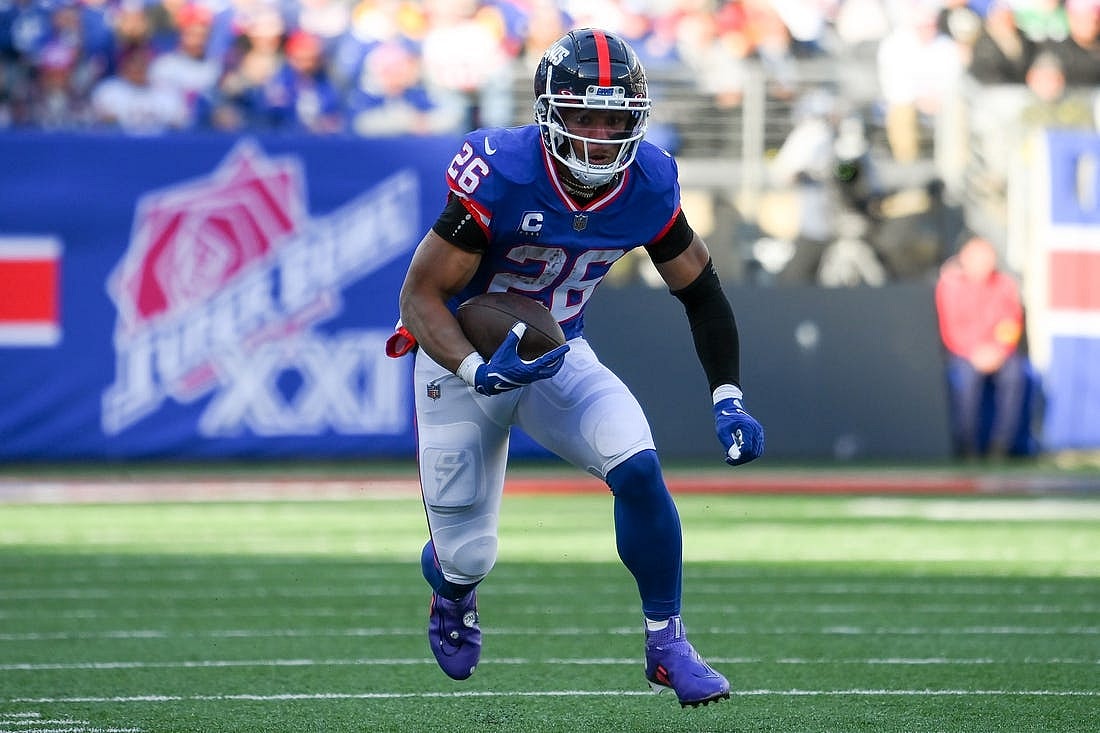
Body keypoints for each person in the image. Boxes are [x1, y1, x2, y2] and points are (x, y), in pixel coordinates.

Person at [387, 28, 764, 708]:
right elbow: (419, 296)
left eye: (613, 118)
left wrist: (728, 395)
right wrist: (476, 368)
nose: (597, 134)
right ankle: (453, 590)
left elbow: (701, 290)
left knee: (639, 466)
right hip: (457, 359)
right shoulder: (501, 170)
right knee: (468, 552)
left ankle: (667, 642)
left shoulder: (647, 182)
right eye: (582, 115)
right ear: (548, 112)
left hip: (555, 353)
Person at [934, 234, 1028, 459]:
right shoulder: (950, 285)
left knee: (1015, 375)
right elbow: (951, 328)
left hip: (998, 353)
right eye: (977, 257)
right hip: (966, 353)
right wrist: (973, 352)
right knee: (965, 379)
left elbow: (1011, 322)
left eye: (988, 256)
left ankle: (1002, 445)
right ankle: (967, 446)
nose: (984, 262)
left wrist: (998, 350)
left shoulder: (1005, 284)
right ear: (964, 258)